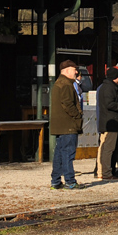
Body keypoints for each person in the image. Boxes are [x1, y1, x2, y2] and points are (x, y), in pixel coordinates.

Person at [49, 60, 83, 190]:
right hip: (68, 125)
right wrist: (78, 116)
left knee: (59, 154)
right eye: (74, 69)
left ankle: (56, 181)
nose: (76, 72)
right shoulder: (67, 85)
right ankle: (70, 181)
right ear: (67, 70)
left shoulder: (58, 83)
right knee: (68, 153)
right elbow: (68, 104)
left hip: (60, 125)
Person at [96, 66, 118, 180]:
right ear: (115, 77)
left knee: (103, 148)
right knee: (108, 148)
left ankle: (101, 171)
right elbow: (110, 104)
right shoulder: (110, 88)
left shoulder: (103, 87)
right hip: (112, 122)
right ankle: (107, 173)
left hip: (105, 121)